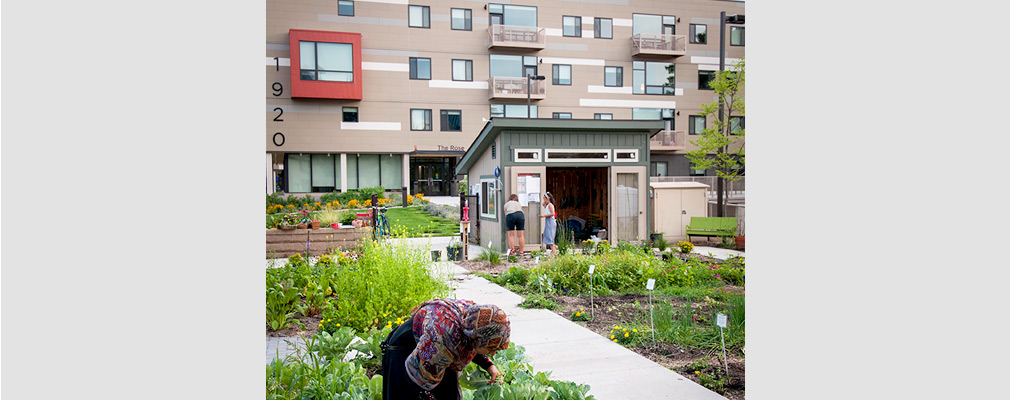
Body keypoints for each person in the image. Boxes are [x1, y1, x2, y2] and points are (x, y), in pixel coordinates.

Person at [382, 298, 511, 400]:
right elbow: (415, 382)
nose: (493, 353)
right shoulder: (444, 338)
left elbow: (472, 340)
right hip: (403, 350)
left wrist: (489, 366)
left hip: (437, 346)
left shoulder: (475, 319)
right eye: (491, 348)